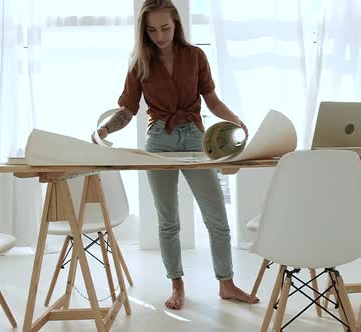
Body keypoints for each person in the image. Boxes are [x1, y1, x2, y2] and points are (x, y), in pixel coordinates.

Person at [92, 0, 255, 310]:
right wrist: (105, 130)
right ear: (144, 31)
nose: (160, 35)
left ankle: (227, 284)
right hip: (159, 141)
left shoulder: (195, 56)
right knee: (168, 222)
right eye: (152, 30)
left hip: (195, 138)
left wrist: (236, 120)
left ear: (176, 24)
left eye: (165, 28)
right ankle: (177, 286)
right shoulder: (139, 62)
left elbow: (212, 100)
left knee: (217, 218)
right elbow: (128, 109)